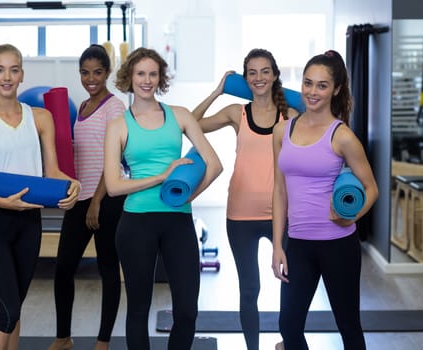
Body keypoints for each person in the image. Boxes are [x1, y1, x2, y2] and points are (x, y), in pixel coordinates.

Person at [0, 43, 81, 350]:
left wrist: (71, 184)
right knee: (6, 313)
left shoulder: (41, 118)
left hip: (29, 224)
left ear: (22, 74)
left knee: (16, 308)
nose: (6, 77)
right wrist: (1, 202)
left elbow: (52, 171)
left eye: (13, 69)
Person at [104, 47, 223, 350]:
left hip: (177, 222)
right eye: (141, 73)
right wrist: (162, 177)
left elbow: (214, 163)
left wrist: (186, 196)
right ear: (129, 77)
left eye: (153, 74)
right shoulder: (119, 125)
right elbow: (114, 186)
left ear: (161, 78)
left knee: (187, 310)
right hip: (136, 223)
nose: (147, 80)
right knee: (138, 310)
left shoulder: (180, 116)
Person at [271, 50, 379, 350]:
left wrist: (352, 217)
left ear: (336, 89)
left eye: (321, 85)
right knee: (289, 326)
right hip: (298, 244)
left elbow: (372, 189)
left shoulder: (342, 136)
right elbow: (279, 190)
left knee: (348, 326)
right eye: (308, 83)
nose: (312, 91)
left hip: (338, 244)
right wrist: (278, 246)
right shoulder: (282, 130)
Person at [192, 48, 297, 350]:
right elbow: (192, 123)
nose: (259, 77)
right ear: (245, 78)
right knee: (249, 289)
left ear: (275, 75)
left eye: (265, 71)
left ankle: (287, 342)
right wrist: (217, 91)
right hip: (240, 216)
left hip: (282, 214)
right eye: (252, 72)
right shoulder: (236, 113)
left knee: (290, 285)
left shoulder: (290, 115)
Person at [48, 44, 126, 350]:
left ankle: (103, 341)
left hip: (106, 201)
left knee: (108, 270)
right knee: (63, 268)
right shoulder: (80, 107)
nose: (90, 78)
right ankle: (63, 337)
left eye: (97, 72)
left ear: (107, 73)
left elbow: (115, 158)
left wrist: (96, 201)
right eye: (84, 72)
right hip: (79, 200)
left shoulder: (114, 106)